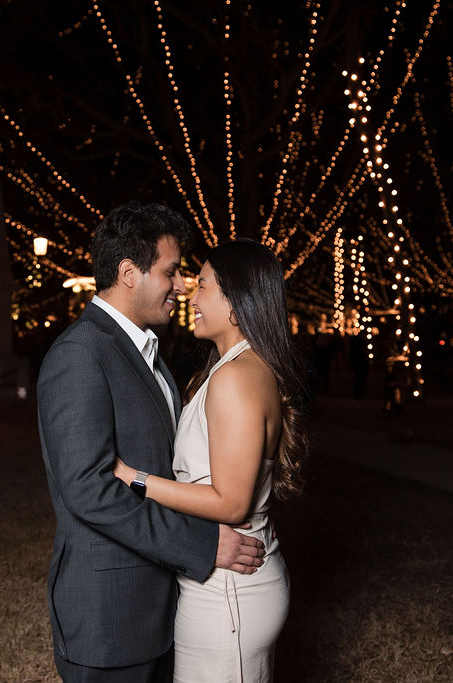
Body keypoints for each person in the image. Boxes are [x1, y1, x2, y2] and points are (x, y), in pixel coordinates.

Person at [37, 202, 267, 682]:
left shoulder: (149, 351)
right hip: (110, 619)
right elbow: (89, 492)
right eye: (171, 271)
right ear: (128, 273)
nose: (181, 285)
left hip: (162, 606)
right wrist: (201, 547)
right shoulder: (79, 355)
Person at [113, 239, 309, 682]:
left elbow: (232, 503)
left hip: (228, 594)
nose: (190, 295)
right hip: (230, 582)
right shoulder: (235, 367)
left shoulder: (237, 378)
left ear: (236, 302)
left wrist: (134, 478)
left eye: (203, 285)